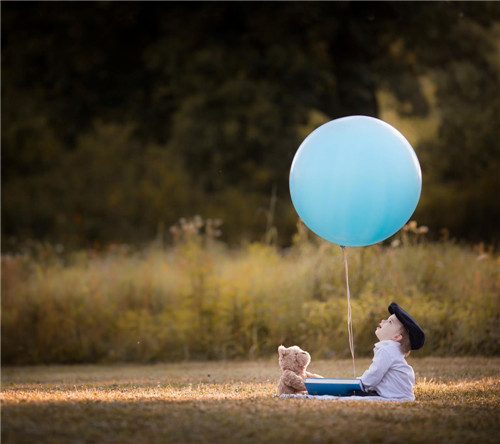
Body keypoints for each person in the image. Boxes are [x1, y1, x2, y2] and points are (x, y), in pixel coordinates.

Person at [352, 302, 425, 401]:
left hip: (394, 397)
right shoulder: (394, 350)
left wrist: (357, 384)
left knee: (351, 395)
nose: (383, 320)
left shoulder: (387, 349)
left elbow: (374, 375)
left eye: (389, 322)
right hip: (400, 396)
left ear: (397, 337)